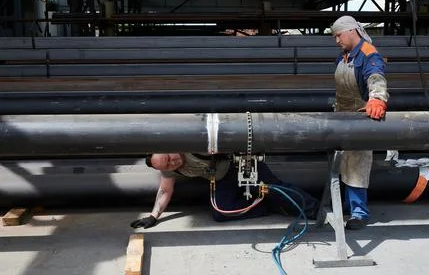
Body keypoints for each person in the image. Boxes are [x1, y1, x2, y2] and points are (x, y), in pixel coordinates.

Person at [130, 153, 320, 229]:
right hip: (221, 179)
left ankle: (316, 210)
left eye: (170, 158)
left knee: (276, 189)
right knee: (221, 213)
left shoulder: (189, 141)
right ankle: (264, 205)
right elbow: (165, 190)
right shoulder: (166, 166)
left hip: (240, 165)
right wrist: (153, 216)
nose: (173, 163)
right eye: (167, 165)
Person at [330, 15, 389, 230]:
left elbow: (376, 77)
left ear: (351, 31)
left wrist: (377, 98)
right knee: (342, 163)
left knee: (357, 165)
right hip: (341, 116)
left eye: (338, 36)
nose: (337, 40)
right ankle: (345, 205)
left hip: (360, 117)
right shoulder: (343, 57)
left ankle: (359, 213)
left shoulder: (368, 54)